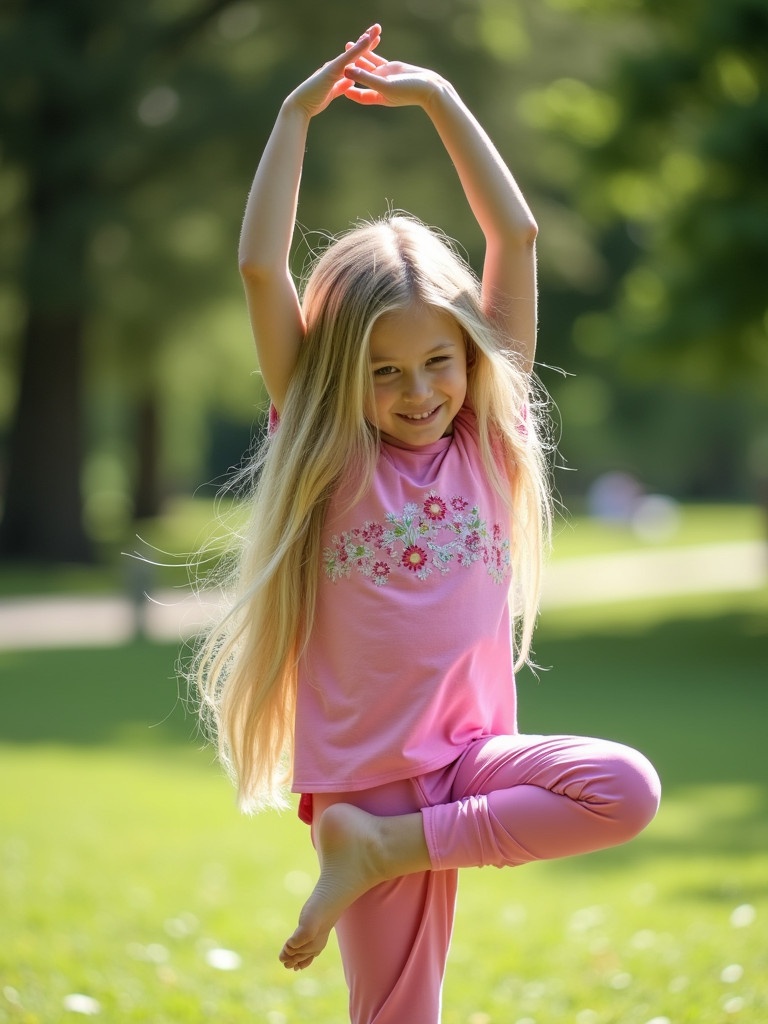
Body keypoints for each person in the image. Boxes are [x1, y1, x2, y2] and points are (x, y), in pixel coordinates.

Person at [195, 24, 661, 1024]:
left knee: (626, 787)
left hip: (468, 763)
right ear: (340, 379)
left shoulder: (487, 450)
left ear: (472, 354)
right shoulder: (333, 455)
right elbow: (262, 272)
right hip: (371, 780)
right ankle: (369, 843)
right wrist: (292, 119)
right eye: (385, 371)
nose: (419, 392)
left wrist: (443, 100)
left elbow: (517, 239)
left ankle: (382, 855)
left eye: (440, 362)